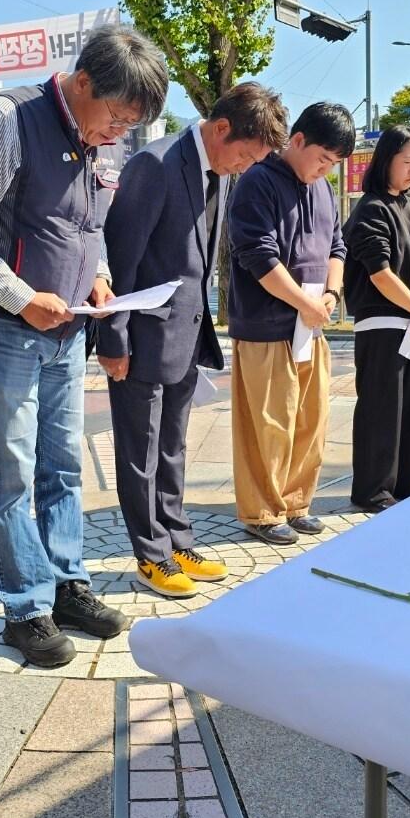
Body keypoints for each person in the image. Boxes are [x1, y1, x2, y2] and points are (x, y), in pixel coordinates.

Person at [0, 25, 168, 667]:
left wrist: (97, 278)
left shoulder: (100, 142)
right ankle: (25, 606)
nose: (118, 132)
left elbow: (87, 227)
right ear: (83, 82)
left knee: (62, 464)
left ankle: (67, 584)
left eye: (131, 124)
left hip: (67, 330)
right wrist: (18, 296)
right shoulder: (6, 120)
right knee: (9, 472)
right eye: (116, 116)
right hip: (7, 329)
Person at [97, 84, 286, 596]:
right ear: (221, 129)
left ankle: (177, 539)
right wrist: (112, 339)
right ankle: (151, 554)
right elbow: (121, 259)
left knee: (173, 447)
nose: (245, 167)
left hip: (186, 336)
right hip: (140, 339)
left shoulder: (217, 174)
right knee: (141, 451)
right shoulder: (155, 165)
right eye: (245, 154)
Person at [226, 102, 354, 545]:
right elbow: (258, 255)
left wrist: (330, 297)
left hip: (311, 325)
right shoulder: (256, 181)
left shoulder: (323, 191)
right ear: (297, 140)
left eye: (334, 164)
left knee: (310, 420)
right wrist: (304, 302)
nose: (325, 170)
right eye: (323, 158)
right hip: (267, 326)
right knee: (268, 423)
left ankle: (296, 500)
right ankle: (262, 511)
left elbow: (338, 246)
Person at [343, 127, 410, 512]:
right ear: (385, 160)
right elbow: (379, 273)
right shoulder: (370, 209)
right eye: (407, 162)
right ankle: (372, 490)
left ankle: (405, 483)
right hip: (383, 325)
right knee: (381, 408)